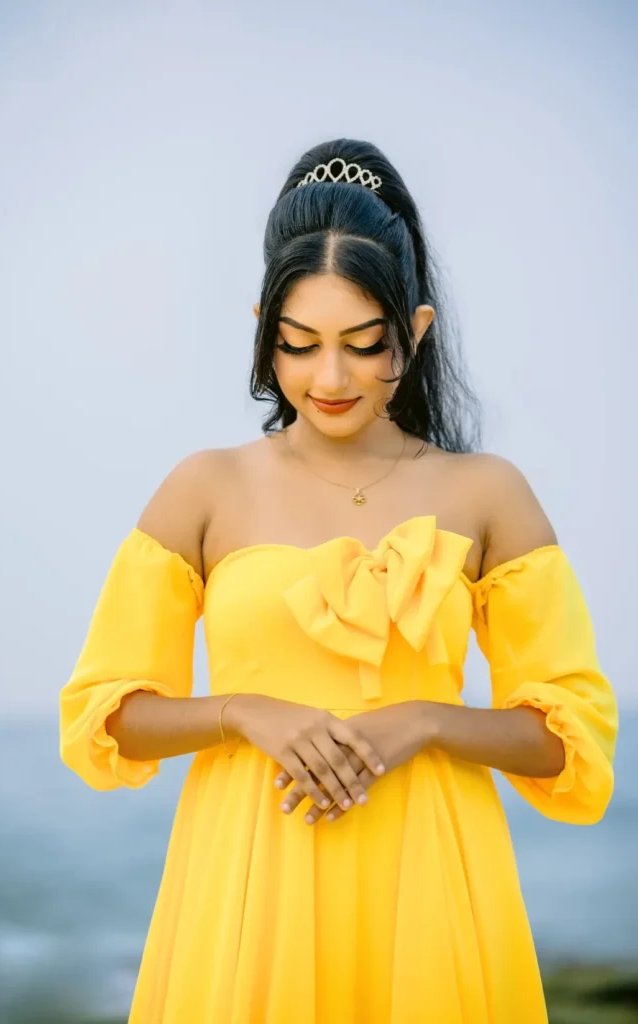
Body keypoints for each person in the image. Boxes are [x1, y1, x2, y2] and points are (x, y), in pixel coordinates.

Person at [59, 138, 619, 1024]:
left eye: (364, 346)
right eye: (298, 345)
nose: (329, 378)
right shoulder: (204, 487)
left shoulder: (488, 493)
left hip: (432, 878)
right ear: (261, 331)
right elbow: (106, 720)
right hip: (247, 880)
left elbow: (570, 740)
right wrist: (241, 710)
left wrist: (427, 720)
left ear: (416, 331)